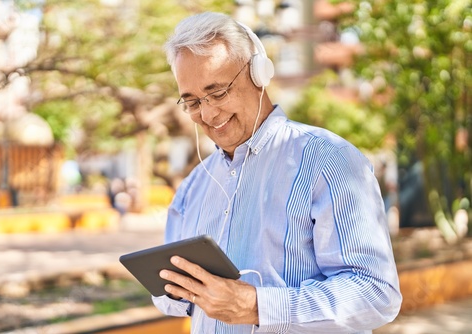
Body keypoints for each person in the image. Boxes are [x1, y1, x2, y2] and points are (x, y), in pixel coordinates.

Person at [152, 11, 402, 333]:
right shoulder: (193, 186)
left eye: (218, 93)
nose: (208, 113)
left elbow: (375, 292)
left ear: (259, 73)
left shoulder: (328, 160)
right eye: (193, 102)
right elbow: (168, 299)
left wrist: (257, 306)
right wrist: (181, 288)